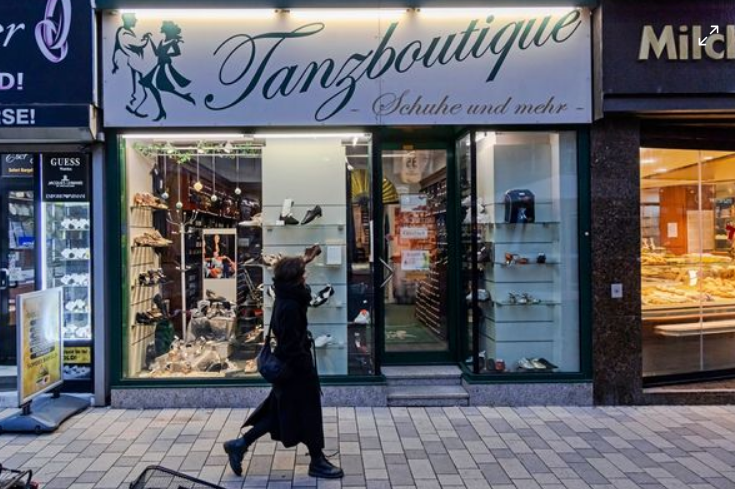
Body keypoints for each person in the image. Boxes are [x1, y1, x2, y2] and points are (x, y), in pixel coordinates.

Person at [223, 257, 343, 479]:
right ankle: (317, 461)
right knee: (308, 413)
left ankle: (239, 445)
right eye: (303, 273)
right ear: (295, 278)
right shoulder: (290, 305)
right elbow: (290, 344)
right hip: (295, 369)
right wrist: (304, 366)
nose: (306, 275)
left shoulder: (289, 296)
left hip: (289, 366)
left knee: (278, 412)